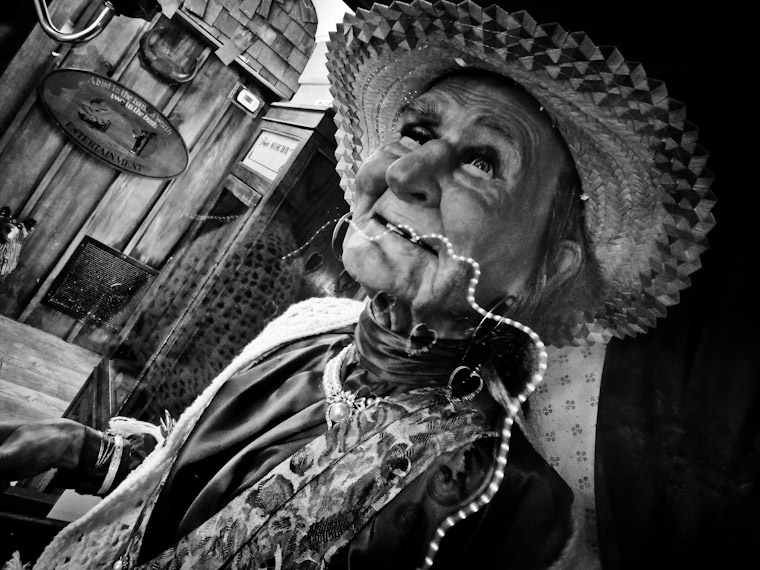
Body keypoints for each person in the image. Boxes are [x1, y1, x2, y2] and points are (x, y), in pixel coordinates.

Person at [0, 1, 714, 569]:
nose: (402, 177)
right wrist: (76, 447)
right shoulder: (309, 324)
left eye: (482, 164)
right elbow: (187, 481)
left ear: (547, 268)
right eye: (414, 131)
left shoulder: (504, 505)